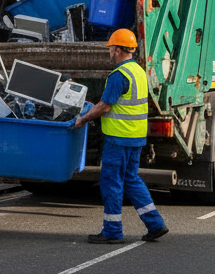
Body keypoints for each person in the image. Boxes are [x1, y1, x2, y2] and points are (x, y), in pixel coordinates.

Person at [69, 28, 169, 244]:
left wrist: (83, 119)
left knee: (111, 182)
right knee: (130, 179)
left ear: (118, 49)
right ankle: (156, 224)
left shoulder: (118, 76)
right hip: (136, 137)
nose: (110, 52)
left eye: (111, 48)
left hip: (118, 139)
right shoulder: (139, 72)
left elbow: (104, 106)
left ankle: (112, 231)